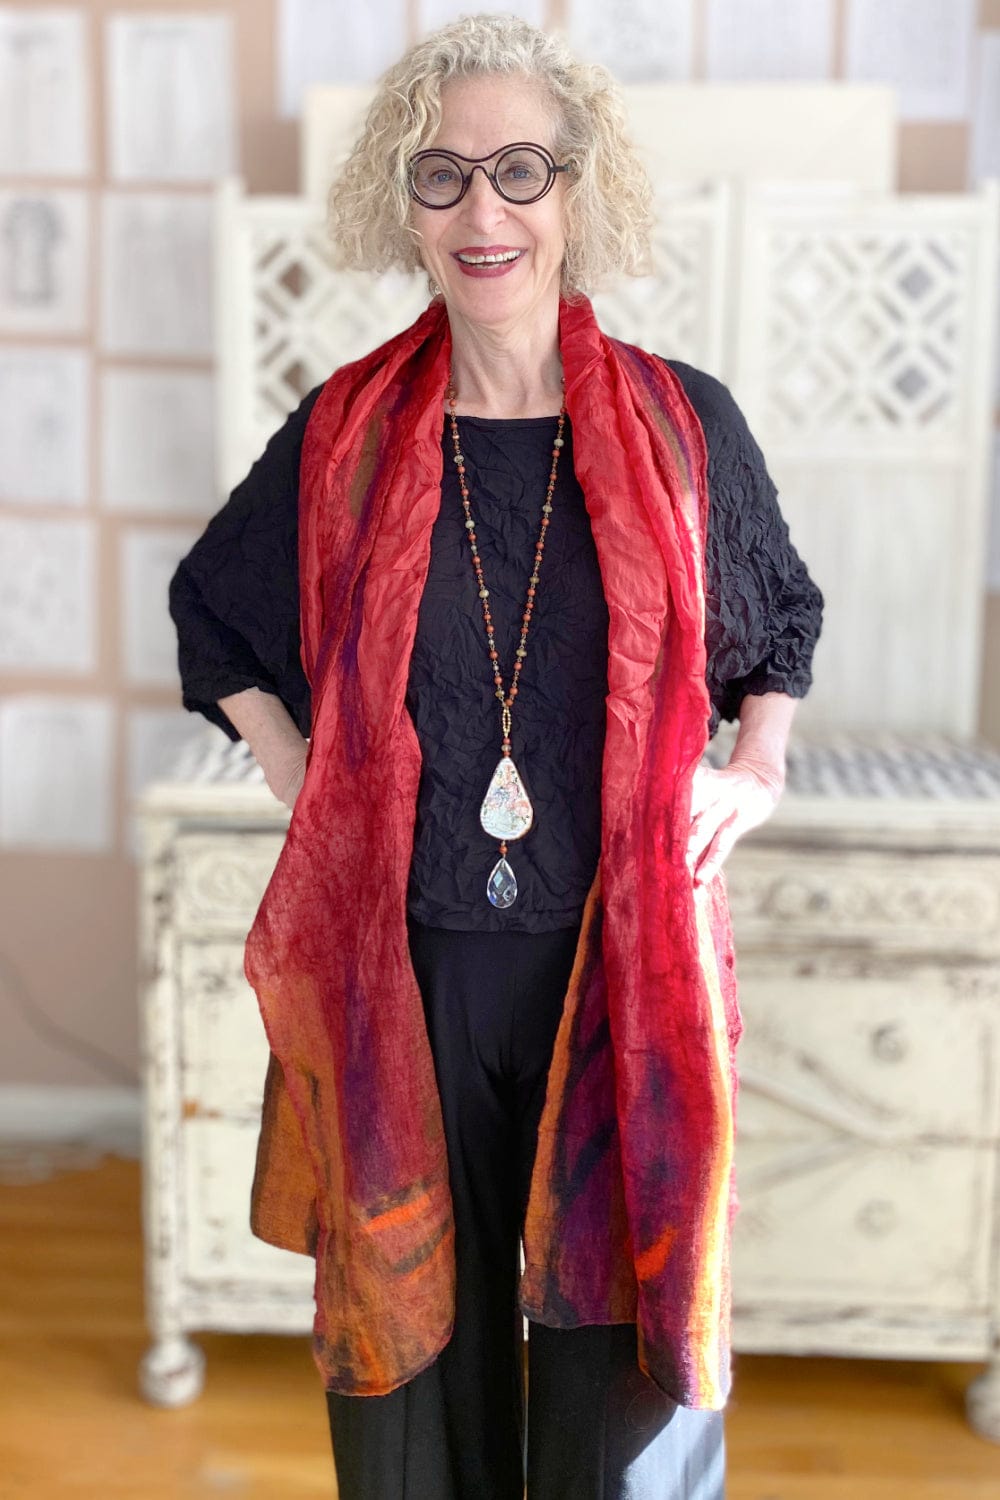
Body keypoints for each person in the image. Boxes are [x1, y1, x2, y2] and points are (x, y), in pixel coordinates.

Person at [169, 13, 823, 1499]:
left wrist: (756, 768)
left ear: (577, 191)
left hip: (620, 963)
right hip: (408, 969)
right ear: (401, 205)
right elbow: (216, 614)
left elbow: (775, 624)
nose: (485, 212)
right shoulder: (345, 432)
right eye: (443, 174)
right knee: (416, 1371)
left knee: (614, 1384)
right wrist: (302, 772)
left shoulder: (679, 426)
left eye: (520, 171)